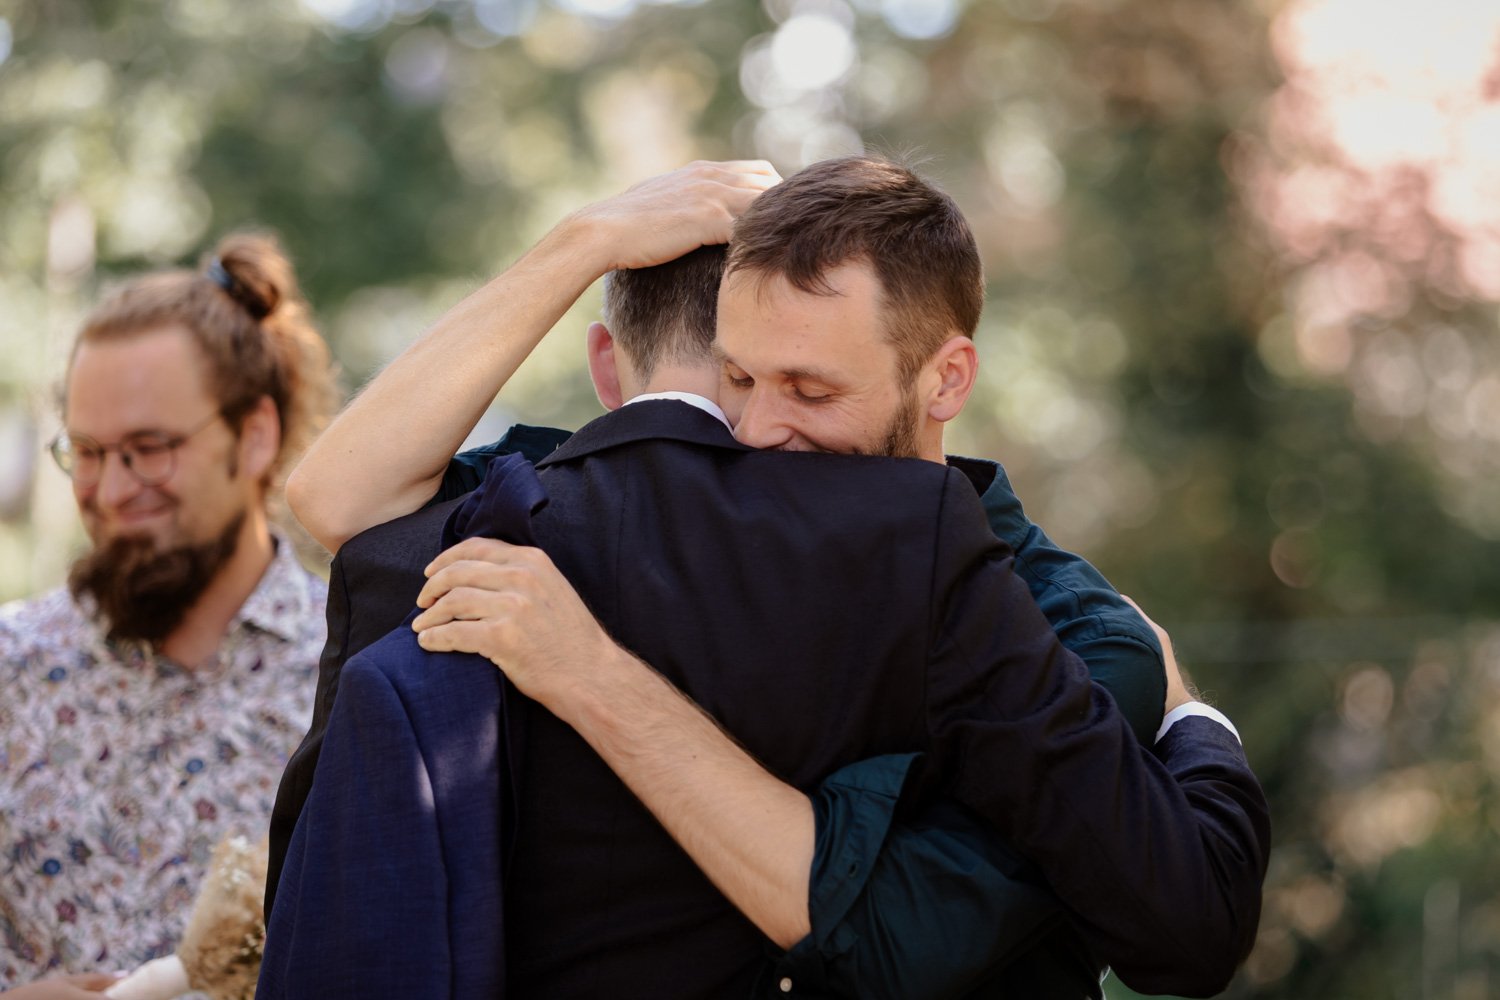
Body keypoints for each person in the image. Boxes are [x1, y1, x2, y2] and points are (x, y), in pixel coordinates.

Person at [268, 160, 1267, 997]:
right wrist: (583, 242)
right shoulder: (665, 513)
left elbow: (889, 928)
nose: (755, 433)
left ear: (947, 380)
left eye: (811, 391)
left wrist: (1184, 713)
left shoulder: (1063, 625)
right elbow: (336, 496)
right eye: (737, 380)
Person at [0, 234, 339, 994]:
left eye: (148, 449)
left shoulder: (353, 677)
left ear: (254, 436)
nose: (112, 491)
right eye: (86, 451)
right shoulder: (9, 669)